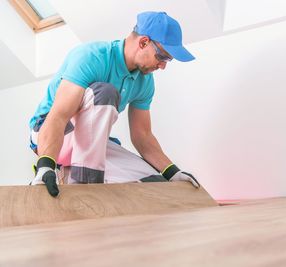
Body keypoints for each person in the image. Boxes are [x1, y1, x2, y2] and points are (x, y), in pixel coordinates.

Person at [29, 11, 200, 197]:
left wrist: (172, 172)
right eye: (162, 57)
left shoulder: (145, 82)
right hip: (50, 133)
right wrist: (45, 165)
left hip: (90, 144)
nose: (163, 66)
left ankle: (78, 173)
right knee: (106, 92)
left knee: (154, 183)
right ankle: (82, 185)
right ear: (143, 42)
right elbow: (59, 116)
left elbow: (142, 135)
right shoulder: (92, 57)